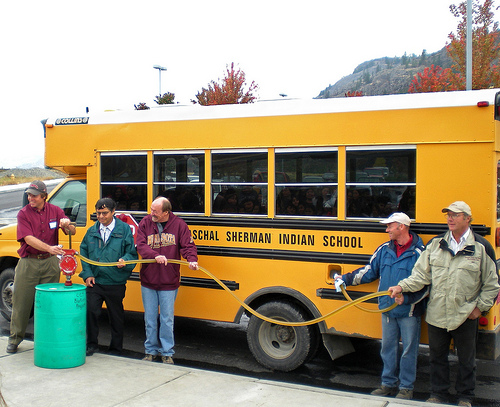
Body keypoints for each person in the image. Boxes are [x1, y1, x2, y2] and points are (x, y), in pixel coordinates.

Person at [389, 201, 500, 407]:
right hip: (437, 313)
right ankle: (438, 394)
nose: (450, 218)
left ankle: (465, 396)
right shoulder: (436, 244)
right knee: (437, 357)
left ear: (467, 219)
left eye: (455, 215)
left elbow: (492, 283)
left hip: (465, 314)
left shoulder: (481, 246)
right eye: (448, 215)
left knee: (467, 360)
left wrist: (479, 309)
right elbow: (420, 276)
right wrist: (401, 287)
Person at [335, 212, 428, 400]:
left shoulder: (420, 253)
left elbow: (426, 284)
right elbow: (369, 272)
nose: (386, 230)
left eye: (389, 226)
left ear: (401, 227)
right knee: (387, 348)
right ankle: (387, 384)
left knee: (409, 350)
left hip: (409, 310)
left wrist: (407, 299)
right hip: (387, 308)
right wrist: (345, 279)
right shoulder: (384, 249)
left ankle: (406, 388)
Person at [7, 180, 76, 353]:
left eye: (34, 195)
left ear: (43, 196)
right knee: (21, 303)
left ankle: (47, 339)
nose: (30, 198)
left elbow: (71, 231)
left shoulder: (55, 211)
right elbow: (28, 238)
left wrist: (67, 224)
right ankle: (15, 338)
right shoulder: (23, 214)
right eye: (29, 194)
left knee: (49, 304)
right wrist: (49, 248)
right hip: (28, 262)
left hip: (50, 263)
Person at [137, 197, 198, 364]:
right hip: (148, 280)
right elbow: (140, 245)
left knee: (167, 319)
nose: (151, 214)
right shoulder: (145, 223)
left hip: (169, 281)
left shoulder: (179, 225)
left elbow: (188, 246)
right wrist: (155, 256)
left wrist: (191, 259)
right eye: (151, 210)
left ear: (166, 212)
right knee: (150, 318)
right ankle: (150, 351)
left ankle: (167, 352)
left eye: (155, 211)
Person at [79, 198, 137, 356]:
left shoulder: (124, 229)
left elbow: (131, 252)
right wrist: (87, 273)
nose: (101, 216)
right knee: (91, 311)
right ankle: (91, 344)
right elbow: (83, 251)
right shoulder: (92, 231)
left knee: (116, 316)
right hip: (96, 281)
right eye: (98, 213)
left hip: (115, 281)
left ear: (113, 212)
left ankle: (116, 348)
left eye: (105, 213)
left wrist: (125, 260)